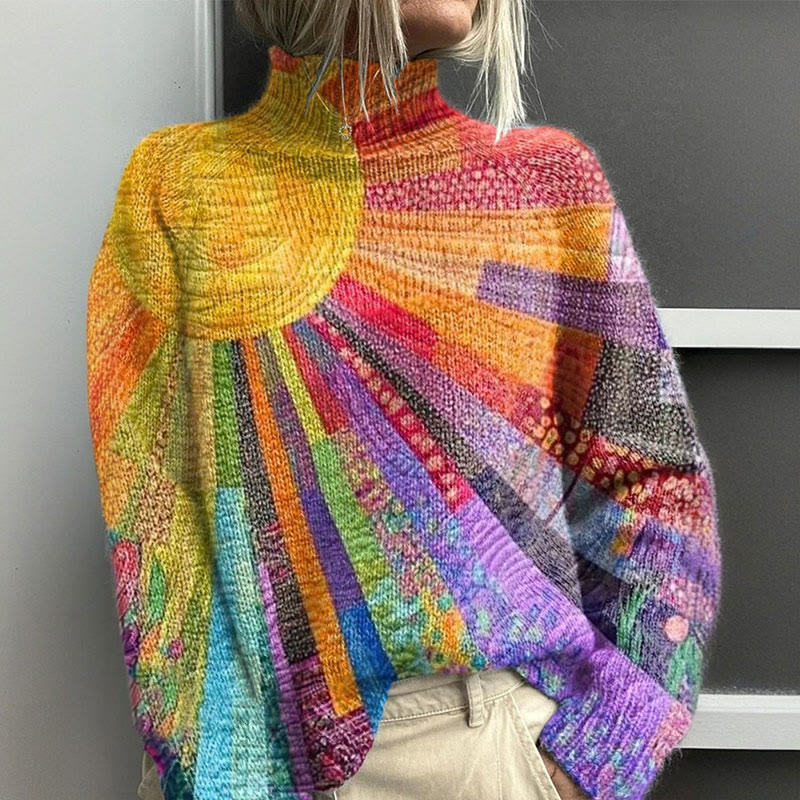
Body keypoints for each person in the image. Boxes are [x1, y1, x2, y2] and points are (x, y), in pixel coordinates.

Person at [86, 2, 722, 799]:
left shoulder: (548, 188)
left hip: (483, 749)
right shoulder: (181, 188)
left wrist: (587, 758)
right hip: (245, 756)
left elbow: (655, 484)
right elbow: (153, 518)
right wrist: (216, 772)